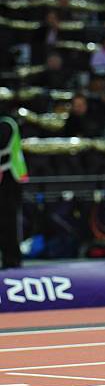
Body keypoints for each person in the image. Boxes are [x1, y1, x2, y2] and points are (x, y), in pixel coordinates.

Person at [0, 113, 29, 269]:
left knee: (8, 223)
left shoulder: (7, 123)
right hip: (5, 180)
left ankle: (12, 260)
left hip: (10, 181)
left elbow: (3, 145)